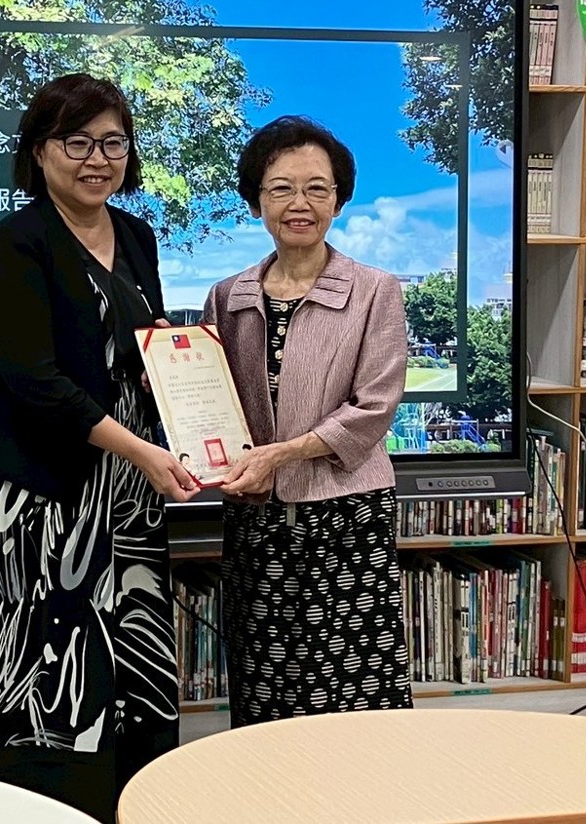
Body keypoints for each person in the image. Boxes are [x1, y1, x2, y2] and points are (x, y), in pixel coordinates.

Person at [0, 73, 198, 823]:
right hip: (34, 501)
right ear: (39, 151)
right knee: (38, 670)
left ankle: (128, 805)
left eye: (113, 142)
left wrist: (184, 387)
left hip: (126, 497)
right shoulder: (16, 241)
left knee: (127, 660)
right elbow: (31, 378)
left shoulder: (136, 235)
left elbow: (142, 349)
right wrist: (139, 450)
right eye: (76, 142)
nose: (96, 159)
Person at [203, 115, 412, 727]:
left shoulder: (374, 290)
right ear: (256, 201)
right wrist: (163, 368)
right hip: (256, 517)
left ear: (339, 201)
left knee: (355, 686)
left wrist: (281, 454)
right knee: (263, 676)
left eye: (317, 188)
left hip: (348, 516)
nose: (300, 203)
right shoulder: (228, 296)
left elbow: (374, 407)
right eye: (281, 189)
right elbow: (211, 397)